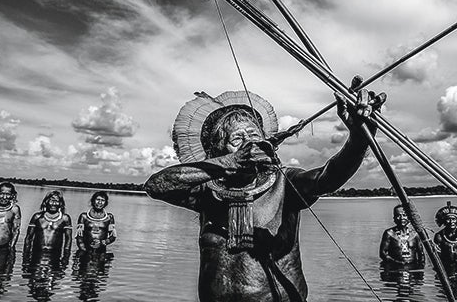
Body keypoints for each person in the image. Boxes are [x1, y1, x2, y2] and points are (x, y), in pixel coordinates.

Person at [144, 82, 385, 302]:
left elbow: (328, 177)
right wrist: (232, 163)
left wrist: (359, 137)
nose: (249, 143)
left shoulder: (285, 182)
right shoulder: (207, 192)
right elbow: (156, 186)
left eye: (254, 136)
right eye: (237, 139)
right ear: (218, 151)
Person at [23, 190, 73, 263]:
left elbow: (68, 239)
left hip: (55, 255)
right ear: (46, 202)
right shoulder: (37, 217)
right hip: (36, 253)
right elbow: (28, 237)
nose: (54, 204)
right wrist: (26, 256)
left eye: (57, 201)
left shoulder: (65, 218)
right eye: (51, 201)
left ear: (61, 204)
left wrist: (66, 258)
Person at [379, 204, 424, 268]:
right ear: (394, 218)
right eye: (398, 215)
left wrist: (420, 270)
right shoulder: (389, 233)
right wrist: (397, 263)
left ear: (409, 217)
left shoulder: (415, 234)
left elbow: (421, 255)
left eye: (404, 215)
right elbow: (382, 253)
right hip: (395, 268)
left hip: (412, 268)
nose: (402, 218)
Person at [432, 201, 457, 267]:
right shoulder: (439, 236)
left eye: (453, 219)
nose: (451, 222)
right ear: (444, 221)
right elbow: (437, 257)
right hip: (447, 267)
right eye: (448, 219)